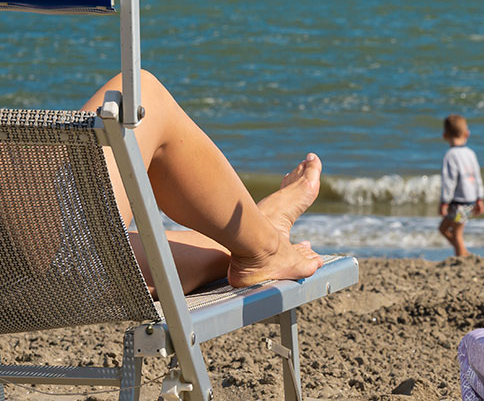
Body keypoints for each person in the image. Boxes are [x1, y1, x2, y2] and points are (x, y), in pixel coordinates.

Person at [82, 70, 324, 295]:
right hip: (75, 254)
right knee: (139, 94)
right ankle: (266, 248)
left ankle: (258, 233)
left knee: (226, 252)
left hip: (62, 270)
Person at [437, 115, 484, 257]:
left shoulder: (450, 155)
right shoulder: (470, 153)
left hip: (458, 203)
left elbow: (449, 180)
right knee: (444, 229)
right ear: (467, 134)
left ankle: (461, 257)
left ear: (445, 135)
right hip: (469, 201)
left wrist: (444, 202)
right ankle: (464, 252)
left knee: (456, 233)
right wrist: (480, 198)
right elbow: (477, 177)